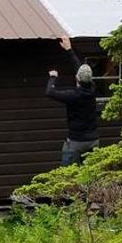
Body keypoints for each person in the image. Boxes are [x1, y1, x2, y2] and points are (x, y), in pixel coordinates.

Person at [46, 36, 99, 166]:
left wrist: (53, 78)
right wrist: (69, 50)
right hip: (93, 140)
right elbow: (79, 69)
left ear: (77, 79)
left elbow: (50, 92)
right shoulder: (92, 88)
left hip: (76, 141)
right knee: (91, 174)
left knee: (68, 174)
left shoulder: (73, 95)